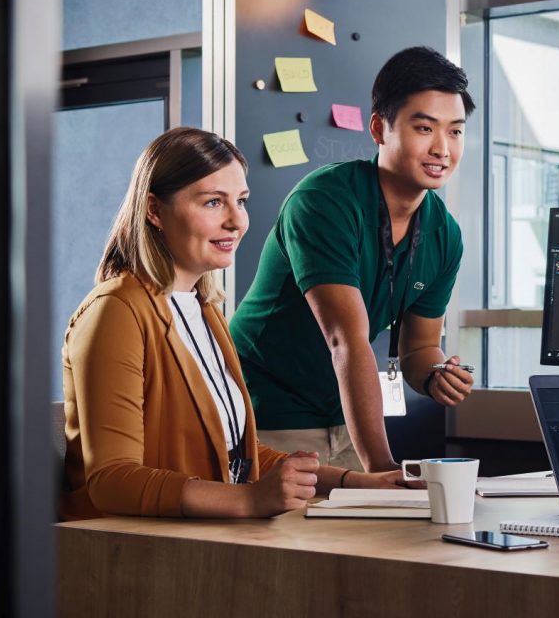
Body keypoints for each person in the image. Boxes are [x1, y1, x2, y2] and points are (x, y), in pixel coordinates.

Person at [61, 127, 407, 521]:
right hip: (130, 550)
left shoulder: (204, 309)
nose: (235, 221)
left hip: (199, 538)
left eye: (240, 201)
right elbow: (112, 480)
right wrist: (249, 500)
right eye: (212, 202)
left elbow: (237, 455)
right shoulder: (116, 310)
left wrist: (355, 481)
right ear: (154, 210)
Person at [229, 46, 476, 472]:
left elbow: (418, 347)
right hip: (266, 411)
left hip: (347, 415)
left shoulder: (445, 234)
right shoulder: (325, 201)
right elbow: (347, 339)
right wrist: (381, 468)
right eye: (424, 128)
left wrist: (435, 373)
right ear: (380, 129)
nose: (442, 148)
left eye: (455, 132)